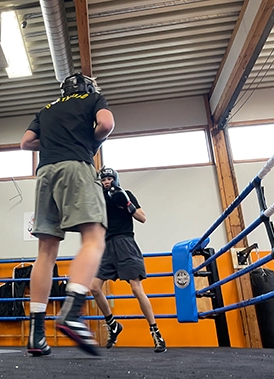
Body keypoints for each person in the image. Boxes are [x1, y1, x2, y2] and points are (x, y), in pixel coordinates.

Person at [21, 73, 115, 356]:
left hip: (45, 173)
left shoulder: (46, 109)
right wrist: (88, 139)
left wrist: (53, 143)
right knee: (94, 237)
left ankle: (36, 335)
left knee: (46, 251)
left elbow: (26, 142)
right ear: (88, 87)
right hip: (76, 166)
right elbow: (106, 124)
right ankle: (72, 312)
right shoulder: (92, 99)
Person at [90, 167, 167, 353]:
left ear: (115, 179)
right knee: (94, 287)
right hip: (107, 246)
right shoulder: (99, 199)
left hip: (126, 242)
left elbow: (143, 218)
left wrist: (127, 204)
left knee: (135, 287)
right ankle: (113, 324)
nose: (106, 182)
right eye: (103, 179)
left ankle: (156, 333)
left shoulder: (126, 194)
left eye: (109, 179)